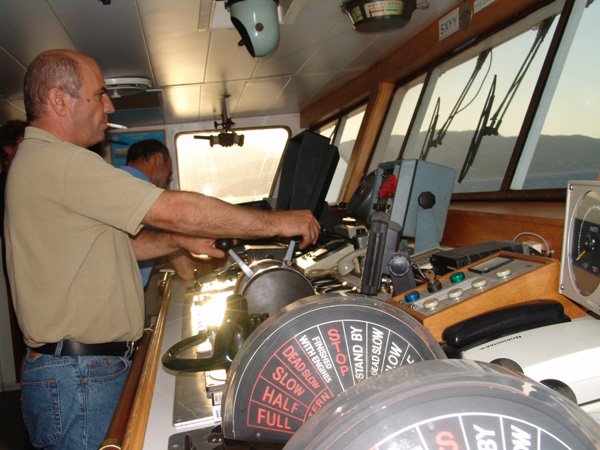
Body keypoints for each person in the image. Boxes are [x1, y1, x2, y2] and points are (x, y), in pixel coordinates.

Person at [4, 49, 320, 450]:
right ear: (59, 100)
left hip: (81, 371)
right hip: (78, 378)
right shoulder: (59, 162)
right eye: (99, 94)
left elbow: (120, 247)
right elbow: (174, 210)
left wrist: (177, 241)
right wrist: (276, 222)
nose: (109, 104)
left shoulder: (45, 162)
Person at [121, 138, 173, 287]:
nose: (165, 184)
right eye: (168, 175)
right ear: (158, 159)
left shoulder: (116, 179)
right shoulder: (145, 193)